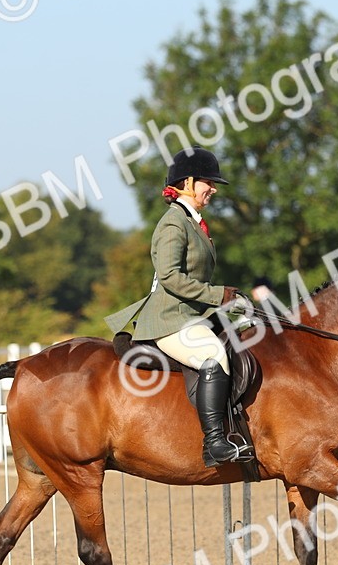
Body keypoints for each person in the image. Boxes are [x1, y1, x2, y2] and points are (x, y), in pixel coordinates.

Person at [104, 146, 254, 467]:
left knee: (242, 334)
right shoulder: (174, 223)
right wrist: (218, 296)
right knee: (214, 356)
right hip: (168, 319)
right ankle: (214, 443)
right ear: (187, 183)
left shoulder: (192, 221)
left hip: (188, 315)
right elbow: (171, 278)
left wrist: (232, 302)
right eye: (207, 182)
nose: (212, 189)